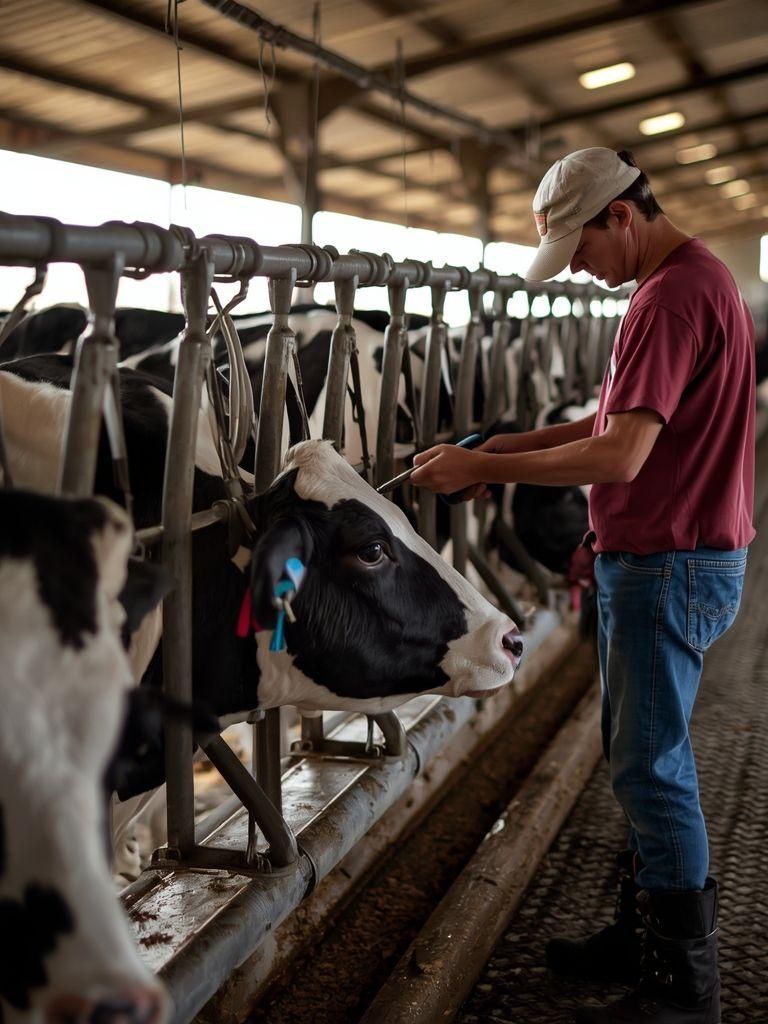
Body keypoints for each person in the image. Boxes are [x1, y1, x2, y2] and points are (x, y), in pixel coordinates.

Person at [410, 147, 755, 1024]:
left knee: (651, 767)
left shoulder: (672, 297)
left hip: (666, 562)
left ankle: (686, 989)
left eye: (582, 251)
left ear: (622, 216)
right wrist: (494, 455)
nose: (584, 273)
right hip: (662, 555)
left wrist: (491, 466)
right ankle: (642, 933)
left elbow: (620, 454)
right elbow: (600, 425)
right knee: (639, 757)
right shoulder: (679, 284)